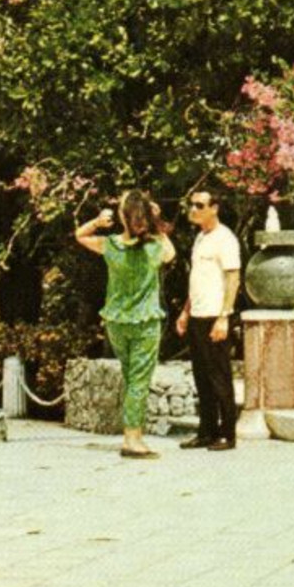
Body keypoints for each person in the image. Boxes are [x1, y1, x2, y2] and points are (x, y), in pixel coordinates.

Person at [75, 190, 176, 458]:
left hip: (116, 321)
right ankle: (132, 438)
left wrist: (97, 221)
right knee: (138, 381)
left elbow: (80, 235)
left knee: (131, 377)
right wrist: (155, 220)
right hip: (145, 321)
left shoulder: (111, 245)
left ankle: (131, 434)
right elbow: (170, 254)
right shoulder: (154, 246)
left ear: (122, 216)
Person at [175, 178, 241, 451]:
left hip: (216, 315)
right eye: (192, 205)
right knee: (202, 378)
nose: (194, 210)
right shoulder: (201, 238)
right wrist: (185, 312)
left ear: (214, 208)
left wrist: (225, 316)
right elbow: (197, 280)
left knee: (220, 378)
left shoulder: (225, 238)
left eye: (200, 205)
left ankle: (227, 434)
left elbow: (233, 278)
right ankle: (206, 431)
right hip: (198, 315)